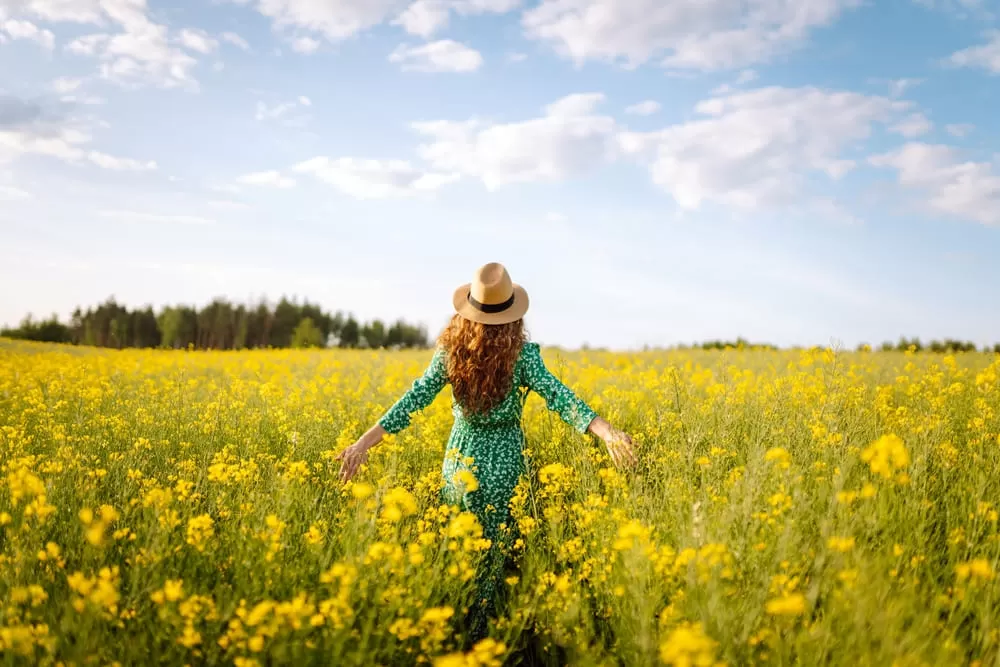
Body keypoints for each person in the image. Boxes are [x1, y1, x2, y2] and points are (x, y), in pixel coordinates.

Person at [335, 262, 636, 641]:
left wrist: (362, 443)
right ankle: (489, 641)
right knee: (497, 560)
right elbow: (560, 397)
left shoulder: (451, 352)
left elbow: (414, 400)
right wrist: (607, 432)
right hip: (505, 464)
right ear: (513, 316)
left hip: (460, 461)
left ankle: (460, 637)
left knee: (461, 557)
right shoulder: (522, 356)